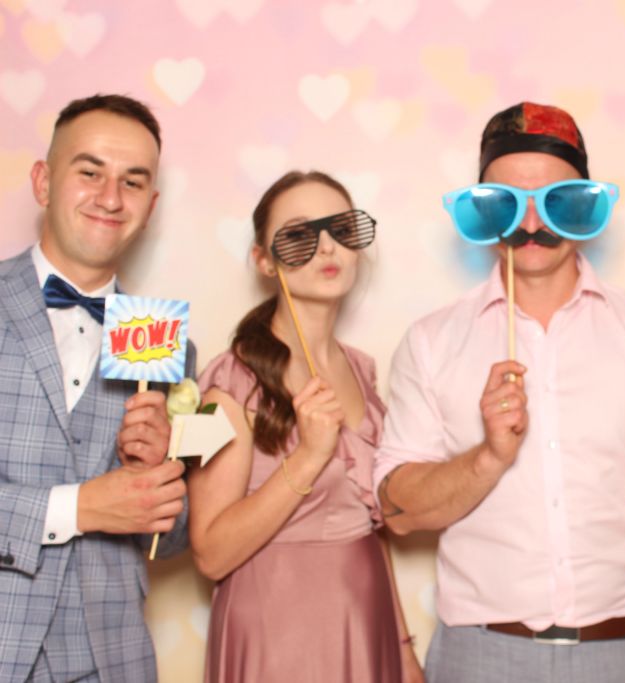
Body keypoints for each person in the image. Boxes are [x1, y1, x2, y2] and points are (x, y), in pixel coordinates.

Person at [374, 102, 625, 683]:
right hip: (479, 657)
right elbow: (396, 512)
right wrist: (489, 456)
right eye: (506, 202)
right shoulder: (431, 342)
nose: (531, 222)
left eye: (557, 200)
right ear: (483, 211)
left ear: (585, 204)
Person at [187, 170, 423, 682]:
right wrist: (308, 457)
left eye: (342, 229)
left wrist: (403, 650)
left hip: (365, 621)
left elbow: (371, 525)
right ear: (263, 260)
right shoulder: (224, 383)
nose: (327, 247)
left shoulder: (362, 370)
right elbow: (208, 553)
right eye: (298, 235)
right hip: (276, 631)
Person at [0, 94, 189, 681]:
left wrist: (160, 475)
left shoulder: (161, 338)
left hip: (114, 660)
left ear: (150, 206)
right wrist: (79, 508)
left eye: (132, 182)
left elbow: (170, 541)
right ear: (43, 182)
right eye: (90, 173)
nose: (111, 198)